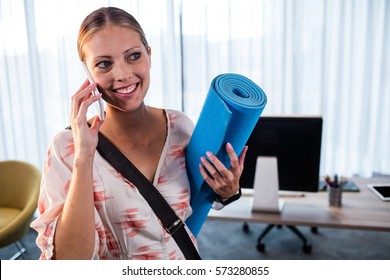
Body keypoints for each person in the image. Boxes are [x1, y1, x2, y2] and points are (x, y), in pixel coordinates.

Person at [31, 6, 247, 260]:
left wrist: (228, 190)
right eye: (104, 64)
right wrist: (84, 159)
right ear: (88, 72)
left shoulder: (180, 126)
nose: (122, 74)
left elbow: (197, 201)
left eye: (133, 56)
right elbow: (68, 261)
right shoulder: (66, 147)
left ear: (149, 55)